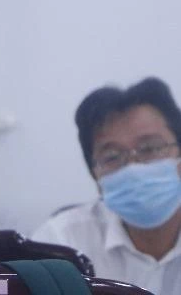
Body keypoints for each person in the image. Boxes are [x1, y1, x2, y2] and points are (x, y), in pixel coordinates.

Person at [32, 77, 181, 294]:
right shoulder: (61, 242)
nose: (133, 167)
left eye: (150, 148)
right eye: (112, 156)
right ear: (96, 176)